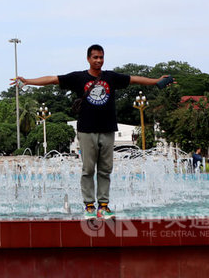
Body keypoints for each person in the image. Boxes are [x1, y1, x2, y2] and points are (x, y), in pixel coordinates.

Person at [12, 44, 173, 219]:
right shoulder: (78, 78)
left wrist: (156, 81)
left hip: (108, 128)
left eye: (101, 57)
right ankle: (89, 206)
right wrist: (28, 81)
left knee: (105, 169)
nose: (99, 60)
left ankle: (103, 206)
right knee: (88, 169)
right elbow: (52, 79)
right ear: (88, 58)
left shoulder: (111, 77)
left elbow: (134, 79)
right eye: (95, 57)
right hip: (86, 130)